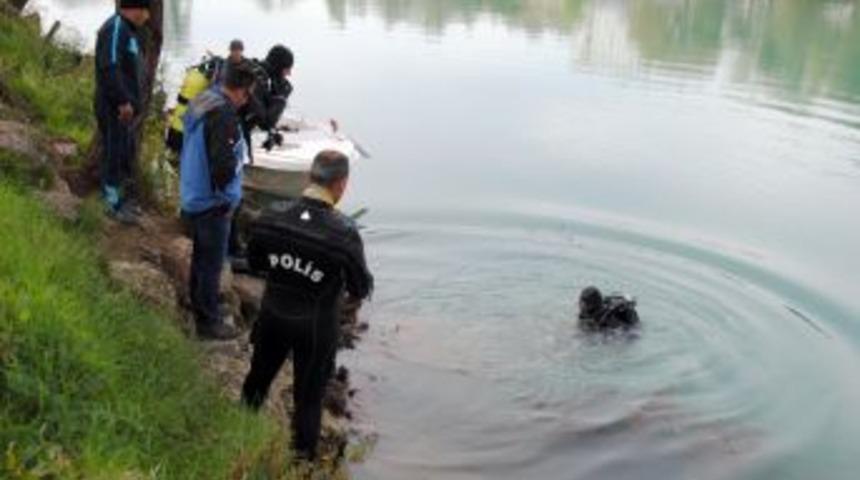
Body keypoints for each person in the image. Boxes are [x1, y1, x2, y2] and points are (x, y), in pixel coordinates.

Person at [241, 150, 373, 460]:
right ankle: (301, 464)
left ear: (309, 177)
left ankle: (240, 441)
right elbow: (361, 287)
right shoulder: (344, 233)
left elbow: (254, 262)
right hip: (315, 325)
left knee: (257, 381)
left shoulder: (272, 215)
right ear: (341, 185)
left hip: (273, 314)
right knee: (309, 400)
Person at [179, 62, 257, 341]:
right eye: (247, 95)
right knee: (210, 262)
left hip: (192, 193)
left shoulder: (203, 99)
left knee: (201, 257)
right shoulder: (223, 115)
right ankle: (208, 322)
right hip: (213, 202)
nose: (246, 102)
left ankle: (200, 303)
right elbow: (223, 168)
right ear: (241, 91)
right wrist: (229, 192)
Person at [94, 0, 151, 224]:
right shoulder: (116, 27)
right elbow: (110, 66)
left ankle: (120, 200)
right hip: (113, 105)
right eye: (145, 11)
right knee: (113, 152)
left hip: (124, 108)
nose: (147, 16)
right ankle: (110, 204)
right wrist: (123, 101)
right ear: (135, 8)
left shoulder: (129, 31)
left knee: (122, 152)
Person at [166, 39, 250, 154]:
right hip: (197, 119)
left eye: (238, 50)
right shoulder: (223, 67)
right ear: (230, 51)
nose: (235, 53)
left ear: (242, 51)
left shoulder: (245, 67)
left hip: (182, 124)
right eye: (233, 50)